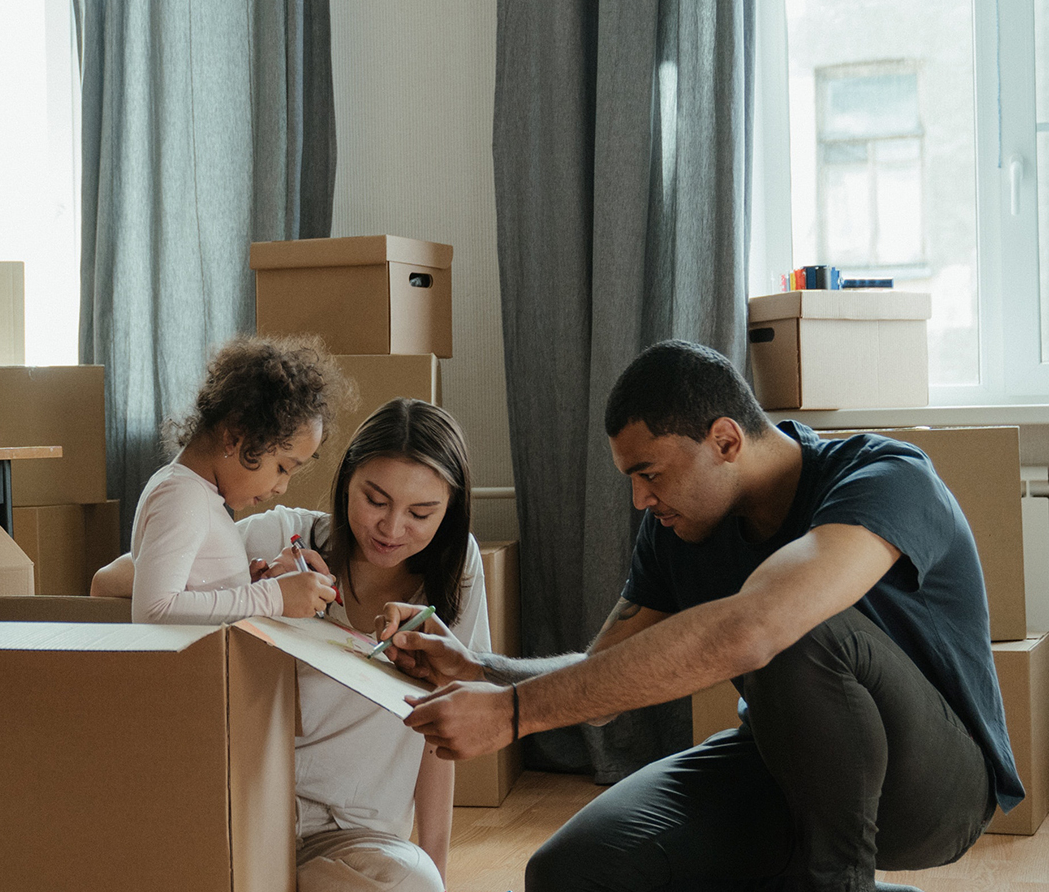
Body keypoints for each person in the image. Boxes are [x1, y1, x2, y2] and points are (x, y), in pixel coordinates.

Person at [379, 340, 1020, 892]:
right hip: (777, 763)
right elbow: (602, 680)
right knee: (571, 871)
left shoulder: (886, 476)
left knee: (796, 629)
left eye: (649, 473)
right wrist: (486, 671)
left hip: (934, 789)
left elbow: (758, 628)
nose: (639, 498)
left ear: (725, 439)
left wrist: (513, 716)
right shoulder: (678, 529)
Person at [99, 398, 490, 892]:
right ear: (346, 481)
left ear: (449, 515)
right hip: (249, 814)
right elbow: (109, 583)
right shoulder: (283, 534)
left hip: (357, 839)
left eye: (421, 513)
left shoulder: (458, 572)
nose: (392, 529)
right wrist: (251, 587)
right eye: (374, 500)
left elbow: (443, 724)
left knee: (415, 885)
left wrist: (438, 867)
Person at [128, 334, 344, 624]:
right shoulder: (182, 496)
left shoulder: (197, 494)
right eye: (282, 468)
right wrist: (272, 596)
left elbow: (195, 598)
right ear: (234, 437)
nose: (282, 487)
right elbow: (154, 610)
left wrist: (245, 589)